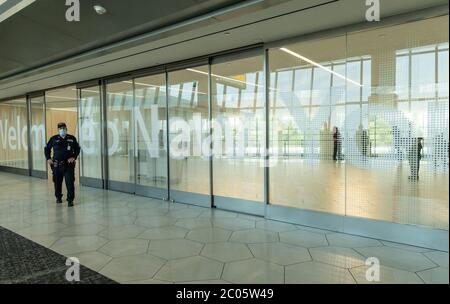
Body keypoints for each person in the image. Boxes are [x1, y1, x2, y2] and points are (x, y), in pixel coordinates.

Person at [44, 122, 80, 206]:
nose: (62, 130)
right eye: (60, 128)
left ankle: (70, 200)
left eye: (63, 128)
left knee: (70, 182)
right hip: (57, 165)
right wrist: (48, 158)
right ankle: (58, 197)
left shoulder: (72, 138)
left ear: (66, 129)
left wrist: (74, 157)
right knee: (57, 182)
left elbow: (77, 149)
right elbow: (47, 149)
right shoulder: (53, 138)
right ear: (58, 130)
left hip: (68, 165)